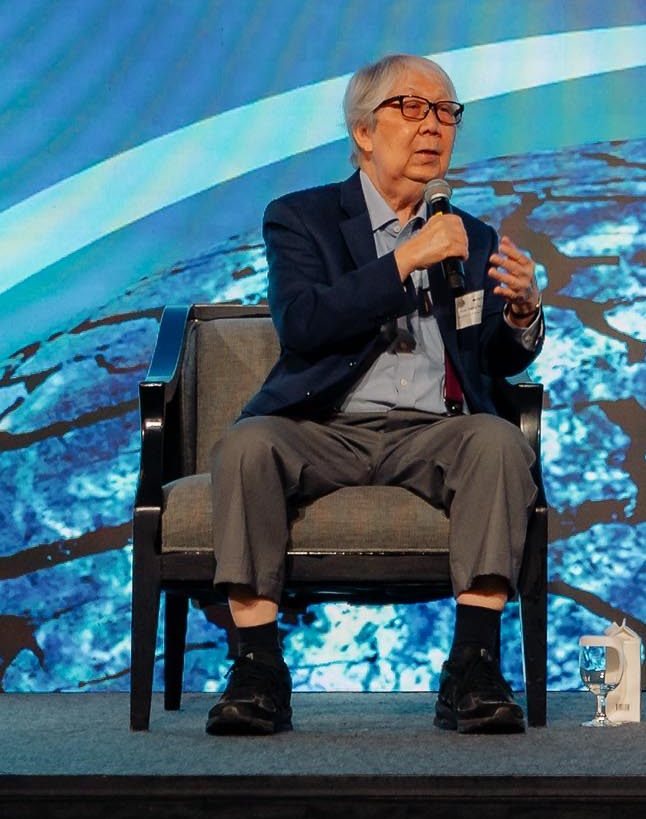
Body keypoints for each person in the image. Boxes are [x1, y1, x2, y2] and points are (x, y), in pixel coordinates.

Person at [201, 51, 546, 738]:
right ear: (363, 131)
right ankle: (258, 668)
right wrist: (405, 259)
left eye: (446, 112)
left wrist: (522, 315)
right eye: (413, 108)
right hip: (322, 425)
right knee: (245, 446)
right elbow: (304, 323)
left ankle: (473, 667)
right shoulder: (301, 219)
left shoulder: (469, 235)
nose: (433, 126)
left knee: (499, 443)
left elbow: (490, 359)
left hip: (433, 432)